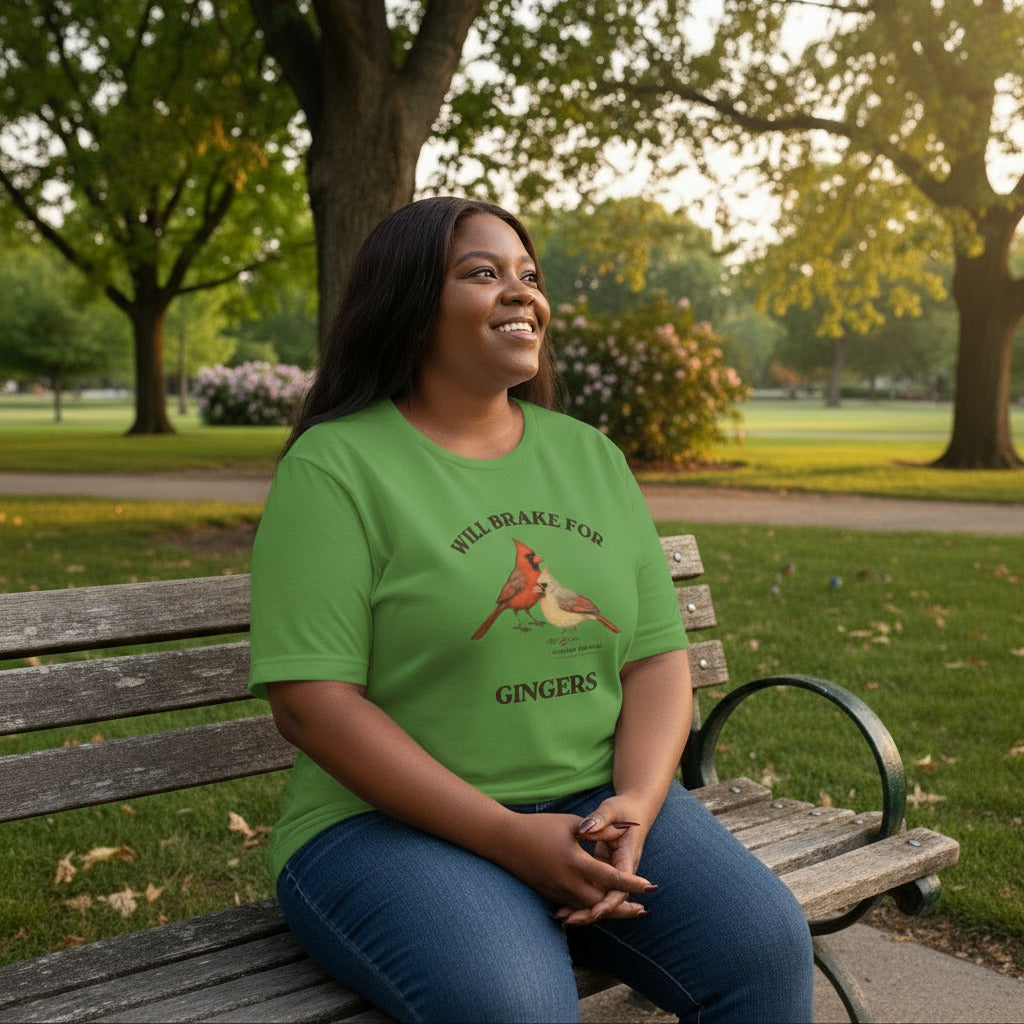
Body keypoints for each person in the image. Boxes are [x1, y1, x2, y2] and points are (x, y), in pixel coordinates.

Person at [248, 196, 814, 1023]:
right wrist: (510, 838)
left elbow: (656, 658)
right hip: (384, 829)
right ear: (408, 304)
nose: (521, 293)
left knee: (763, 949)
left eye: (529, 275)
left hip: (593, 804)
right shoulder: (335, 467)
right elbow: (312, 704)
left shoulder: (590, 456)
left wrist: (638, 803)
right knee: (512, 1006)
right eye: (482, 274)